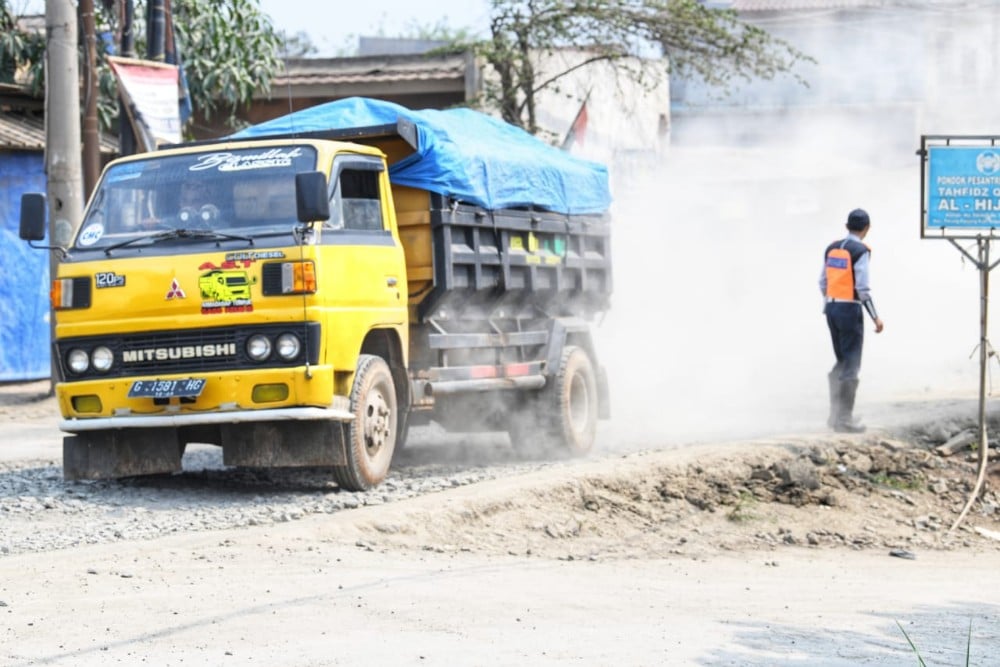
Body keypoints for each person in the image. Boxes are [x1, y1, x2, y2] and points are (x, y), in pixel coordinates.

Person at [819, 208, 884, 433]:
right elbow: (862, 288)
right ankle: (844, 419)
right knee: (851, 363)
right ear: (866, 229)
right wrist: (875, 317)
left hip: (831, 307)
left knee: (841, 360)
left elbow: (822, 281)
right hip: (850, 309)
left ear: (847, 226)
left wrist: (831, 303)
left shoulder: (832, 248)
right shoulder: (860, 251)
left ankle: (835, 416)